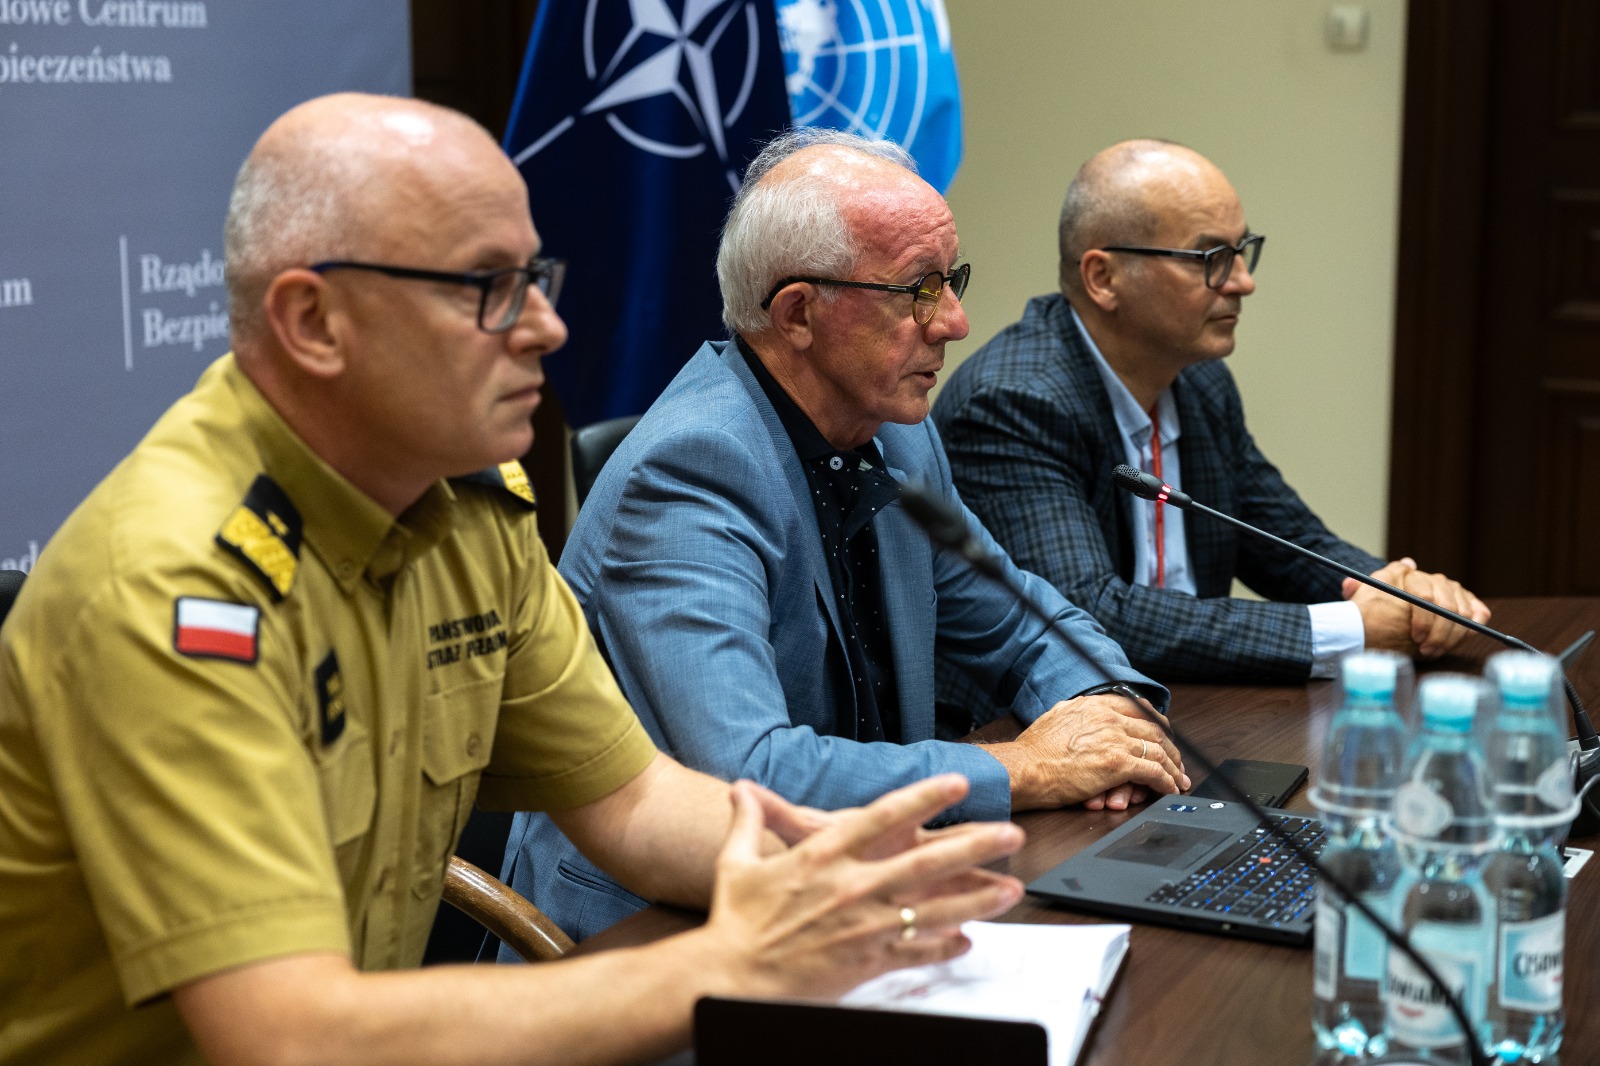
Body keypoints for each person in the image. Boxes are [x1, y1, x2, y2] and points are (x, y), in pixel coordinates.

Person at [0, 94, 1032, 1066]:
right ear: (313, 322)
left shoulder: (463, 506)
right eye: (488, 289)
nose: (546, 327)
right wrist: (726, 965)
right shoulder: (177, 588)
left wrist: (854, 875)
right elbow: (293, 1036)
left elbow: (637, 803)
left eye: (536, 278)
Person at [502, 129, 1189, 946]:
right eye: (918, 290)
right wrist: (1029, 766)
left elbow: (1022, 621)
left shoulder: (895, 431)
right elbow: (752, 776)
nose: (956, 321)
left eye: (952, 280)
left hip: (862, 891)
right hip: (661, 932)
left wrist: (1103, 715)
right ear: (798, 313)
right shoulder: (689, 472)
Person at [932, 139, 1489, 686]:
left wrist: (1400, 593)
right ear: (1104, 278)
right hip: (1032, 725)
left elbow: (1286, 541)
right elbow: (1084, 613)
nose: (1243, 281)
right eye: (1212, 259)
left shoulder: (1199, 381)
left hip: (1193, 705)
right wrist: (1352, 630)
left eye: (1242, 251)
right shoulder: (1014, 402)